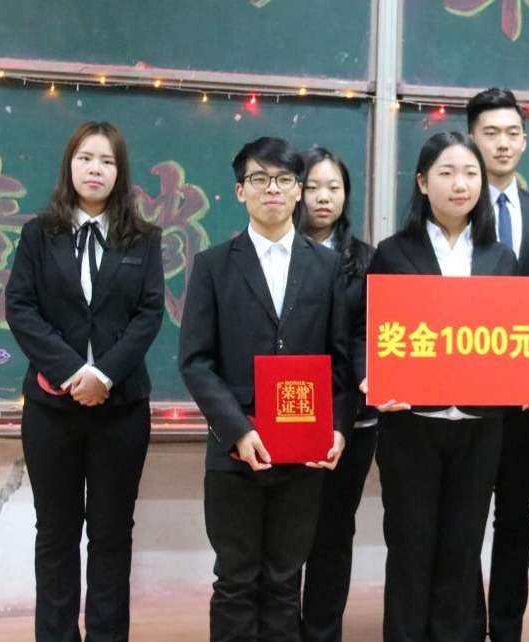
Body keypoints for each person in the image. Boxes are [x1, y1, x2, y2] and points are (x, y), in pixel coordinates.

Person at [179, 137, 354, 642]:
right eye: (259, 179)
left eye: (283, 179)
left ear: (298, 190)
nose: (271, 189)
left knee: (284, 580)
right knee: (235, 579)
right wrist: (237, 429)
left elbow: (340, 360)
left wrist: (338, 427)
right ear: (241, 191)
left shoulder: (326, 266)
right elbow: (194, 361)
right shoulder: (213, 265)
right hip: (236, 450)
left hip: (303, 451)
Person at [365, 131, 529, 642]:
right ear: (422, 182)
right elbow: (365, 330)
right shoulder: (393, 253)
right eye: (446, 173)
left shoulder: (500, 258)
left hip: (480, 427)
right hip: (411, 426)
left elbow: (513, 336)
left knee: (463, 551)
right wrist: (370, 375)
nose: (460, 184)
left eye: (470, 174)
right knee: (410, 548)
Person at [6, 121, 164, 642]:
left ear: (120, 172)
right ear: (69, 165)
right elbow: (20, 307)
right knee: (55, 533)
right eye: (86, 158)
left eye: (107, 161)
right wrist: (74, 372)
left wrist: (104, 374)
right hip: (52, 409)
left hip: (122, 409)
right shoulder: (38, 233)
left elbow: (149, 313)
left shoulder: (144, 238)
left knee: (112, 534)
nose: (95, 169)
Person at [466, 87, 529, 642]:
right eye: (490, 133)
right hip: (460, 391)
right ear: (471, 139)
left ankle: (505, 627)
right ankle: (463, 623)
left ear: (524, 142)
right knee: (462, 513)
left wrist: (528, 357)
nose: (502, 144)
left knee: (514, 516)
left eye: (511, 134)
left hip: (526, 391)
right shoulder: (453, 208)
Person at [296, 146, 376, 642]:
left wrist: (345, 412)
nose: (324, 197)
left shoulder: (367, 260)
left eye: (335, 187)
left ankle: (323, 632)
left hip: (353, 420)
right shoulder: (276, 252)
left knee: (333, 531)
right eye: (312, 187)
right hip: (289, 412)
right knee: (286, 532)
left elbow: (368, 336)